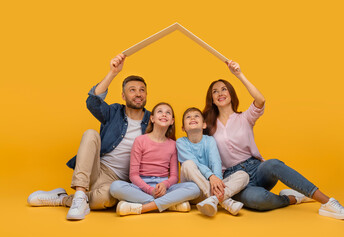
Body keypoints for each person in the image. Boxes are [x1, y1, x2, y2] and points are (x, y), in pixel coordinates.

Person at [202, 60, 344, 220]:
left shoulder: (244, 118)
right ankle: (292, 198)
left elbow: (260, 100)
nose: (220, 93)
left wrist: (239, 75)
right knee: (257, 200)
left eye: (224, 89)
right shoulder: (207, 126)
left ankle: (327, 202)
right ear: (211, 99)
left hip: (256, 169)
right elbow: (198, 150)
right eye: (215, 91)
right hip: (232, 178)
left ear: (231, 94)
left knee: (273, 164)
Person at [27, 54, 151, 220]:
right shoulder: (114, 111)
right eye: (132, 90)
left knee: (106, 199)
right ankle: (79, 195)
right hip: (96, 168)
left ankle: (62, 199)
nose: (138, 94)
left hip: (119, 181)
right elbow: (92, 103)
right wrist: (113, 73)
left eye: (142, 90)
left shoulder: (152, 120)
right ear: (123, 95)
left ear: (146, 94)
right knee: (91, 134)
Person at [109, 103, 200, 216]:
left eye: (168, 112)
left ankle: (144, 207)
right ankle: (170, 204)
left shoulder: (173, 145)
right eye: (160, 111)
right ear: (152, 118)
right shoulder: (140, 140)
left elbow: (174, 177)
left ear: (172, 121)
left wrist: (164, 185)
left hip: (164, 188)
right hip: (141, 187)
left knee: (194, 188)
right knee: (115, 187)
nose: (164, 114)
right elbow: (133, 175)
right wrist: (150, 190)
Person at [177, 107, 249, 217]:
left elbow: (216, 162)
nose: (192, 118)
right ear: (183, 128)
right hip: (193, 190)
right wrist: (211, 176)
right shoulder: (181, 142)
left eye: (196, 116)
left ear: (204, 125)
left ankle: (214, 199)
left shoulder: (209, 140)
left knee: (243, 175)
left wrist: (218, 180)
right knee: (188, 164)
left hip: (211, 187)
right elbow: (195, 162)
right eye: (188, 117)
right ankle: (225, 201)